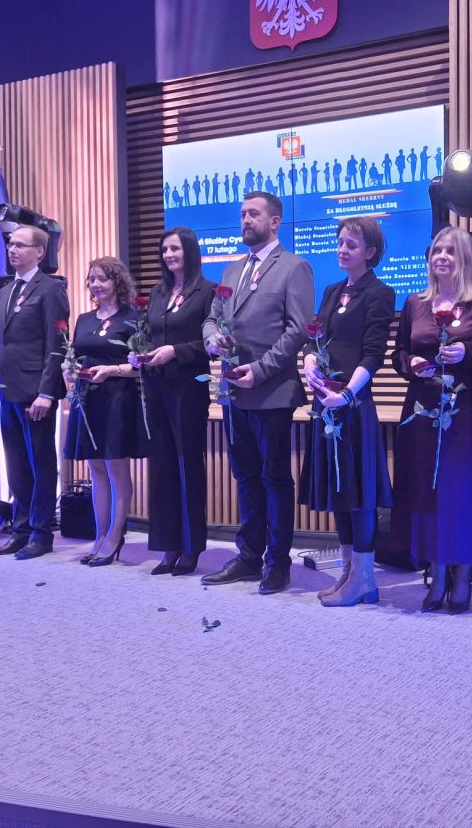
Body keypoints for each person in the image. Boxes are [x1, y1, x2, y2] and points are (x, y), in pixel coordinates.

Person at [200, 192, 314, 594]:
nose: (245, 220)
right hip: (233, 392)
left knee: (274, 479)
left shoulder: (294, 267)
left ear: (275, 221)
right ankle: (249, 556)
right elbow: (212, 318)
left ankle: (277, 562)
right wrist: (212, 339)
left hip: (271, 391)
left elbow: (298, 329)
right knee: (245, 477)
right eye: (242, 214)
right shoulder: (231, 270)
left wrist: (261, 370)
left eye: (253, 214)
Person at [391, 226, 472, 614]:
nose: (441, 256)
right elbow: (399, 354)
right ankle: (436, 573)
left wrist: (468, 354)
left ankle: (462, 576)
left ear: (466, 259)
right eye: (436, 251)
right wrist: (412, 363)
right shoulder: (415, 303)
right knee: (428, 492)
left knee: (462, 494)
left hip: (467, 414)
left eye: (450, 251)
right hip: (423, 410)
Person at [300, 217, 396, 607]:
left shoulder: (380, 293)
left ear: (370, 252)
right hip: (326, 404)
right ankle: (347, 573)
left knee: (359, 493)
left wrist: (347, 395)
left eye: (351, 245)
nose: (342, 250)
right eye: (340, 242)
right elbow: (315, 337)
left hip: (352, 405)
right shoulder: (332, 290)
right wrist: (309, 360)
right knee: (339, 490)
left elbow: (373, 354)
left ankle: (364, 578)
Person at [0, 225, 69, 560]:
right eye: (10, 244)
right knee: (16, 466)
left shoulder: (51, 289)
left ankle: (41, 533)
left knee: (40, 464)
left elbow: (56, 345)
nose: (12, 249)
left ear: (39, 252)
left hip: (36, 393)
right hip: (8, 389)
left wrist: (47, 393)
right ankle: (20, 529)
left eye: (20, 245)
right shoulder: (5, 290)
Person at [131, 228, 215, 577]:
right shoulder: (157, 293)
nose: (168, 255)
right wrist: (139, 354)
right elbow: (148, 334)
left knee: (187, 464)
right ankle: (168, 545)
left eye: (175, 249)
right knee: (163, 464)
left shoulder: (208, 292)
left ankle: (191, 546)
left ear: (189, 252)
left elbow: (210, 345)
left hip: (188, 388)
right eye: (164, 249)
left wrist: (175, 351)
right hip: (156, 386)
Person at [62, 256, 148, 567]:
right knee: (95, 468)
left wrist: (112, 370)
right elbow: (74, 356)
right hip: (87, 399)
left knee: (116, 468)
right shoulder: (84, 319)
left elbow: (142, 365)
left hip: (118, 398)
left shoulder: (134, 318)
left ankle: (114, 536)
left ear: (117, 281)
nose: (95, 284)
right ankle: (99, 536)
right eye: (92, 279)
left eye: (102, 278)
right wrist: (68, 371)